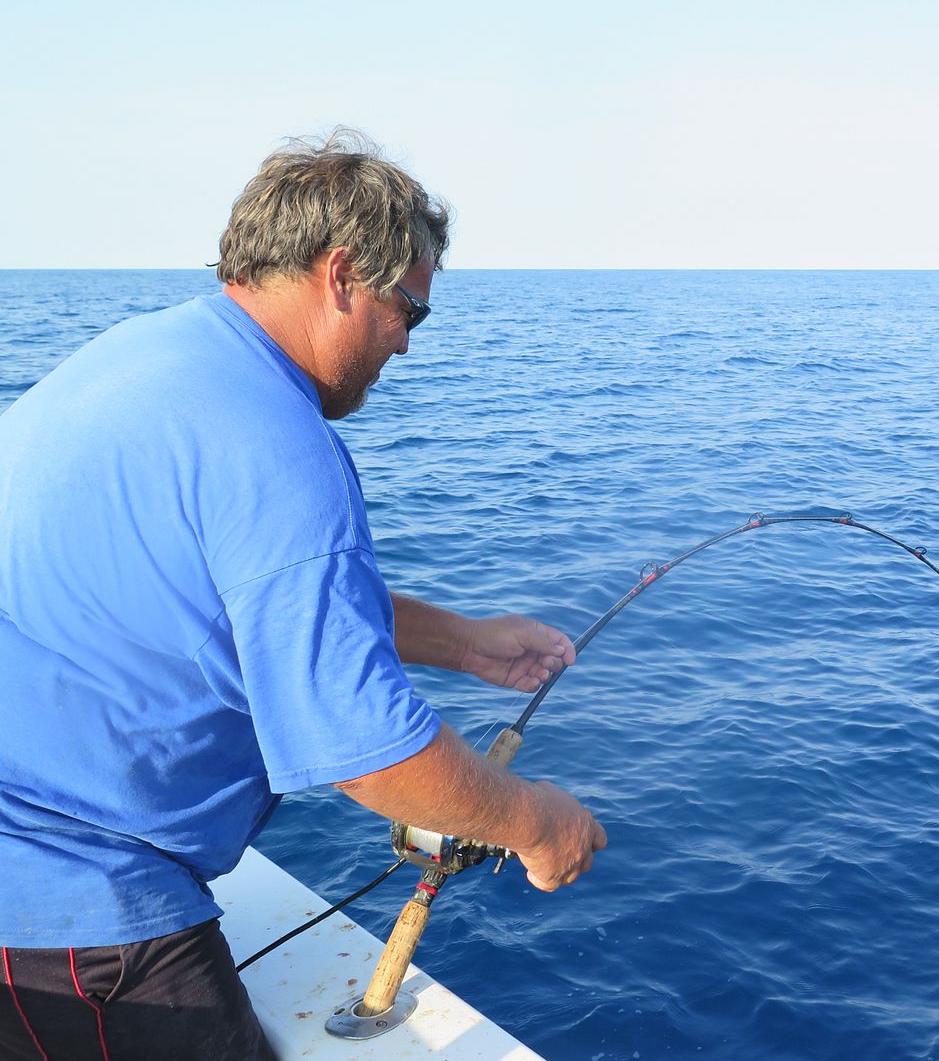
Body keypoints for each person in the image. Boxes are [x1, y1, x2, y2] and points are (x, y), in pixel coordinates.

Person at [0, 131, 606, 1060]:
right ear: (339, 276)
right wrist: (537, 822)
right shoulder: (278, 446)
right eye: (411, 308)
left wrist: (463, 643)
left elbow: (239, 595)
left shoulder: (158, 359)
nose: (406, 341)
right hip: (69, 900)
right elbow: (365, 755)